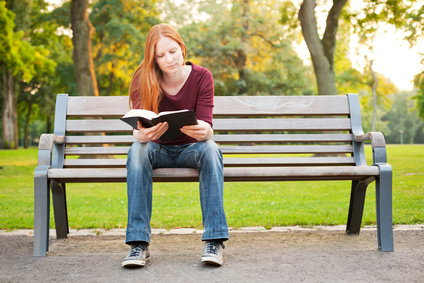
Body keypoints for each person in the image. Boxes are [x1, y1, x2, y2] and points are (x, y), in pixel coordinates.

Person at [122, 23, 229, 268]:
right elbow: (139, 126)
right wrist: (140, 135)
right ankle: (139, 244)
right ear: (154, 59)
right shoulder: (143, 78)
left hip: (192, 149)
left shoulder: (202, 76)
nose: (168, 59)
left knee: (211, 148)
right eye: (160, 55)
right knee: (137, 150)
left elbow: (207, 123)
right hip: (155, 149)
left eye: (172, 51)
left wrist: (206, 131)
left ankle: (214, 239)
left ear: (182, 48)